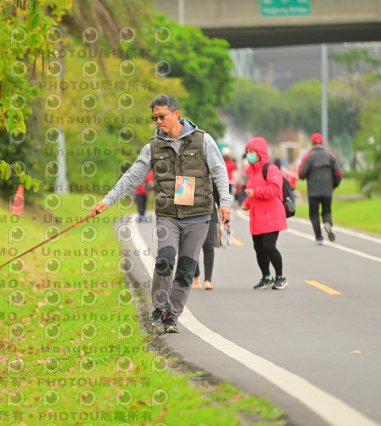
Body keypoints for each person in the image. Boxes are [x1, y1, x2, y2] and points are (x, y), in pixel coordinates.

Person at [92, 94, 232, 333]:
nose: (158, 121)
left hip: (199, 216)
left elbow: (219, 172)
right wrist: (107, 201)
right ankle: (159, 308)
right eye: (154, 117)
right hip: (168, 215)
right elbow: (132, 177)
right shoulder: (153, 147)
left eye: (162, 116)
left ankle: (172, 315)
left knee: (187, 268)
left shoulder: (202, 140)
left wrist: (226, 203)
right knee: (165, 259)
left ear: (176, 114)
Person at [241, 137, 288, 290]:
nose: (249, 155)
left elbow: (274, 189)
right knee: (258, 248)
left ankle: (280, 276)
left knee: (269, 246)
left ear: (260, 153)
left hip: (272, 216)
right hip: (257, 217)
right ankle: (266, 277)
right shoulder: (252, 173)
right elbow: (251, 193)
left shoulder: (271, 169)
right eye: (247, 152)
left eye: (251, 152)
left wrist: (255, 192)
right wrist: (246, 203)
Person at [298, 133, 342, 245]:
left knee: (314, 214)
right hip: (327, 190)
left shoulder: (308, 156)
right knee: (326, 211)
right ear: (322, 143)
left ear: (312, 144)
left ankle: (319, 237)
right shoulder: (331, 156)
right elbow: (338, 173)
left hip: (313, 191)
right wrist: (334, 185)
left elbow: (301, 173)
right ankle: (327, 223)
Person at [192, 184, 227, 291]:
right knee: (192, 248)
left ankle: (208, 280)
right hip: (191, 216)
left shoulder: (210, 176)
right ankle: (196, 276)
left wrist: (226, 218)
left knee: (208, 245)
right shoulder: (186, 176)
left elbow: (219, 198)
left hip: (210, 215)